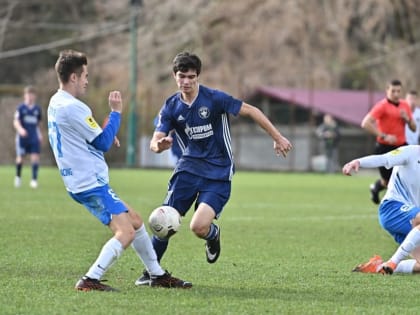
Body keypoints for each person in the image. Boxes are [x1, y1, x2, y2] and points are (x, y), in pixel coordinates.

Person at [136, 52, 292, 285]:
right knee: (164, 220)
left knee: (198, 227)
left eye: (191, 77)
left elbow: (251, 111)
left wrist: (277, 137)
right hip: (187, 170)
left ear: (198, 76)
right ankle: (150, 274)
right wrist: (159, 145)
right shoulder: (170, 106)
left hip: (218, 172)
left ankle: (213, 235)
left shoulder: (214, 99)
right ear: (174, 76)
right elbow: (155, 140)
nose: (186, 81)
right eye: (181, 76)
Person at [47, 49, 191, 291]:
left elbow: (86, 137)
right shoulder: (75, 107)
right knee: (125, 233)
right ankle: (90, 279)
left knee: (134, 221)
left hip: (79, 180)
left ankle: (156, 274)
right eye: (85, 75)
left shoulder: (56, 101)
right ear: (73, 77)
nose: (87, 80)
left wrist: (106, 134)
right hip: (89, 182)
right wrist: (115, 113)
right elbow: (102, 143)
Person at [343, 145, 420, 275]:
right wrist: (358, 162)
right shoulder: (411, 152)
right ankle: (393, 261)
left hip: (412, 221)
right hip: (392, 208)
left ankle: (379, 267)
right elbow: (384, 159)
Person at [361, 79, 416, 204]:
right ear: (387, 90)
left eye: (398, 91)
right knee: (387, 182)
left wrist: (407, 119)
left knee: (407, 179)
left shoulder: (405, 105)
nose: (396, 94)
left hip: (402, 147)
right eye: (393, 91)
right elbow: (365, 123)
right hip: (385, 147)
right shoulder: (381, 106)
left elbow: (414, 128)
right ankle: (376, 188)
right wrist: (384, 136)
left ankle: (407, 207)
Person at [13, 85, 43, 188]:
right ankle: (18, 177)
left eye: (32, 95)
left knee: (35, 157)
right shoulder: (21, 108)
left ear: (34, 96)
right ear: (25, 96)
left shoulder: (37, 109)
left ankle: (34, 180)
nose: (30, 97)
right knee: (20, 158)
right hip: (22, 138)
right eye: (28, 95)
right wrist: (20, 130)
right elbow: (16, 121)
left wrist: (39, 134)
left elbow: (38, 124)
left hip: (34, 137)